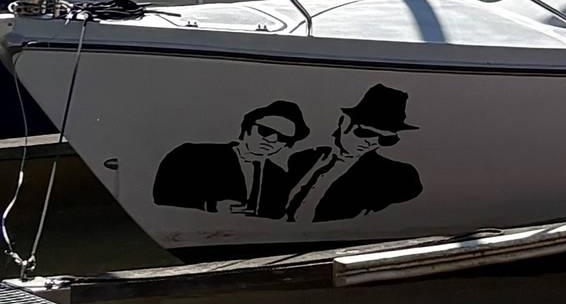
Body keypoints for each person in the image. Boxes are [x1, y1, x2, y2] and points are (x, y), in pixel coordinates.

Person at [278, 86, 423, 223]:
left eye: (386, 139)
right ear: (344, 122)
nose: (372, 142)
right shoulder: (302, 158)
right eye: (365, 133)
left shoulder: (396, 174)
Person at [151, 101, 307, 215]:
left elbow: (276, 213)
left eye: (282, 138)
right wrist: (209, 206)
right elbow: (163, 195)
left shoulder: (277, 175)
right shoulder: (192, 155)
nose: (271, 140)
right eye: (265, 131)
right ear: (247, 128)